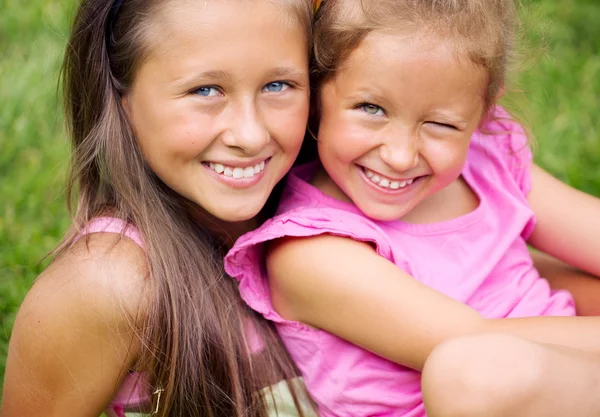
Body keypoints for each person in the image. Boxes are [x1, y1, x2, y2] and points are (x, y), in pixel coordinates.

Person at [224, 0, 600, 416]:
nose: (401, 156)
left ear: (484, 113)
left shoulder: (487, 161)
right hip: (491, 388)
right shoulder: (310, 249)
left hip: (567, 378)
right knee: (467, 372)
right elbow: (478, 346)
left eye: (440, 124)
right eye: (371, 109)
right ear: (316, 95)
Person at [0, 0, 318, 416]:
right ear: (123, 99)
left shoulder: (343, 212)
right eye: (205, 90)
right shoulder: (111, 286)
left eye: (277, 85)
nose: (250, 134)